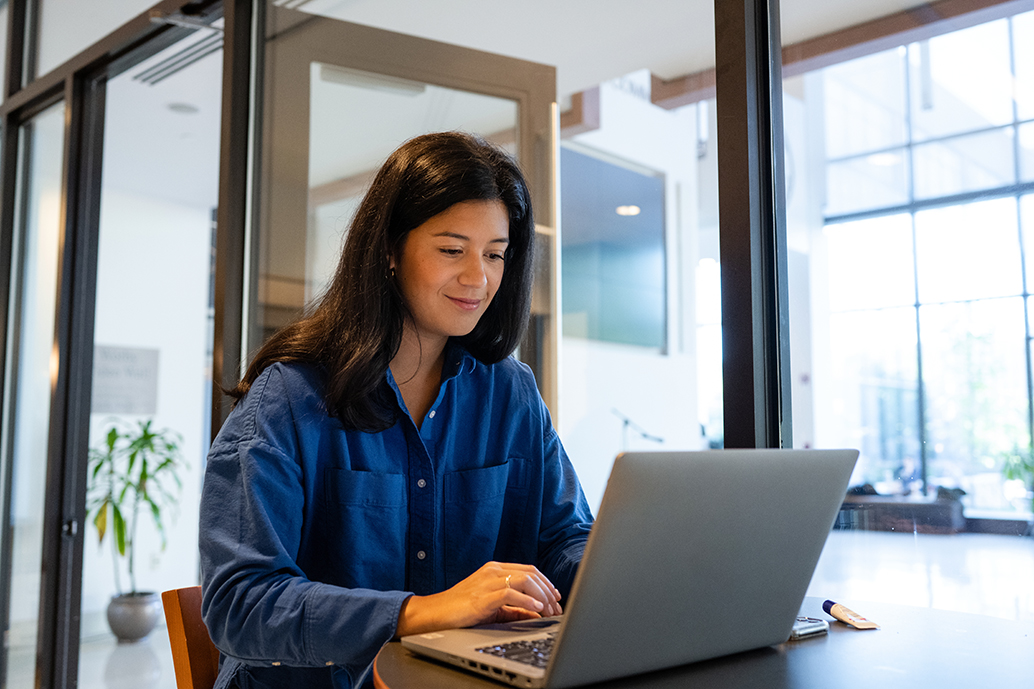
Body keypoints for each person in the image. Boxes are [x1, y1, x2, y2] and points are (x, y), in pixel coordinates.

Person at [199, 132, 594, 689]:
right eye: (452, 250)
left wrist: (616, 576)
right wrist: (428, 611)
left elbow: (562, 538)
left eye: (496, 254)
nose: (478, 277)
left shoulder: (512, 394)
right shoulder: (288, 397)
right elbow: (241, 604)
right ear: (389, 249)